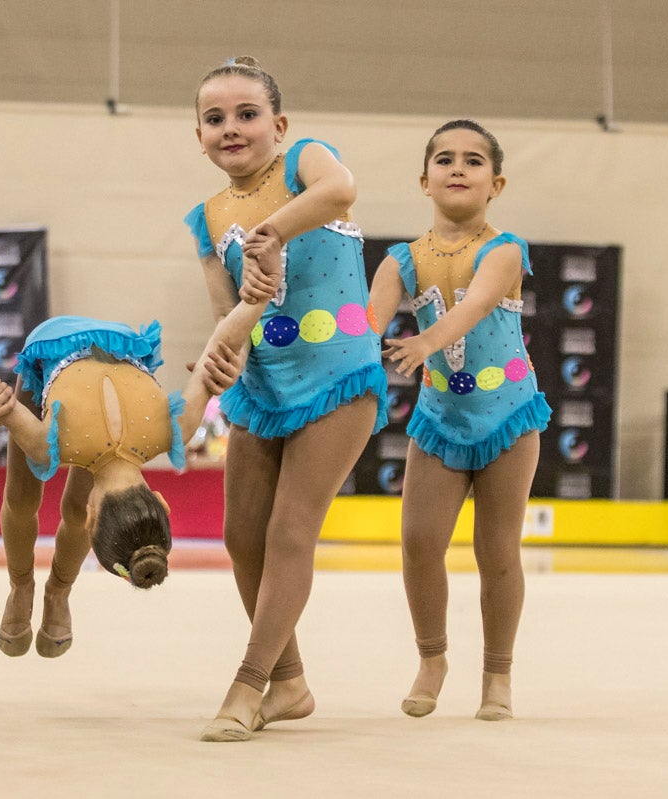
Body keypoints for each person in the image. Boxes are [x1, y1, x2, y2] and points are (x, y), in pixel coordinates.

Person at [0, 234, 282, 660]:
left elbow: (220, 348)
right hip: (49, 349)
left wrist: (256, 297)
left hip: (119, 343)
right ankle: (23, 586)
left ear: (161, 501)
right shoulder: (52, 442)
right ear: (92, 517)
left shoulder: (172, 427)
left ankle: (57, 592)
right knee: (22, 499)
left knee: (47, 482)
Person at [184, 56, 388, 741]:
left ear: (279, 125)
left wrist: (274, 230)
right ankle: (290, 682)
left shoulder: (306, 162)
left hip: (338, 376)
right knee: (241, 536)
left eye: (247, 115)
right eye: (215, 118)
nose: (231, 128)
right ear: (198, 136)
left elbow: (341, 188)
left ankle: (247, 684)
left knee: (290, 530)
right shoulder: (207, 216)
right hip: (264, 387)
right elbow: (227, 313)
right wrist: (219, 359)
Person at [369, 119, 551, 721]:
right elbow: (365, 327)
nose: (457, 168)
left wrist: (425, 342)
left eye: (474, 161)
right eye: (444, 159)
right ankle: (432, 659)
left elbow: (476, 304)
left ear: (496, 184)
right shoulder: (401, 260)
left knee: (496, 548)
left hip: (509, 417)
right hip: (439, 418)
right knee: (420, 542)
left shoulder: (505, 250)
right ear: (424, 180)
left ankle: (497, 674)